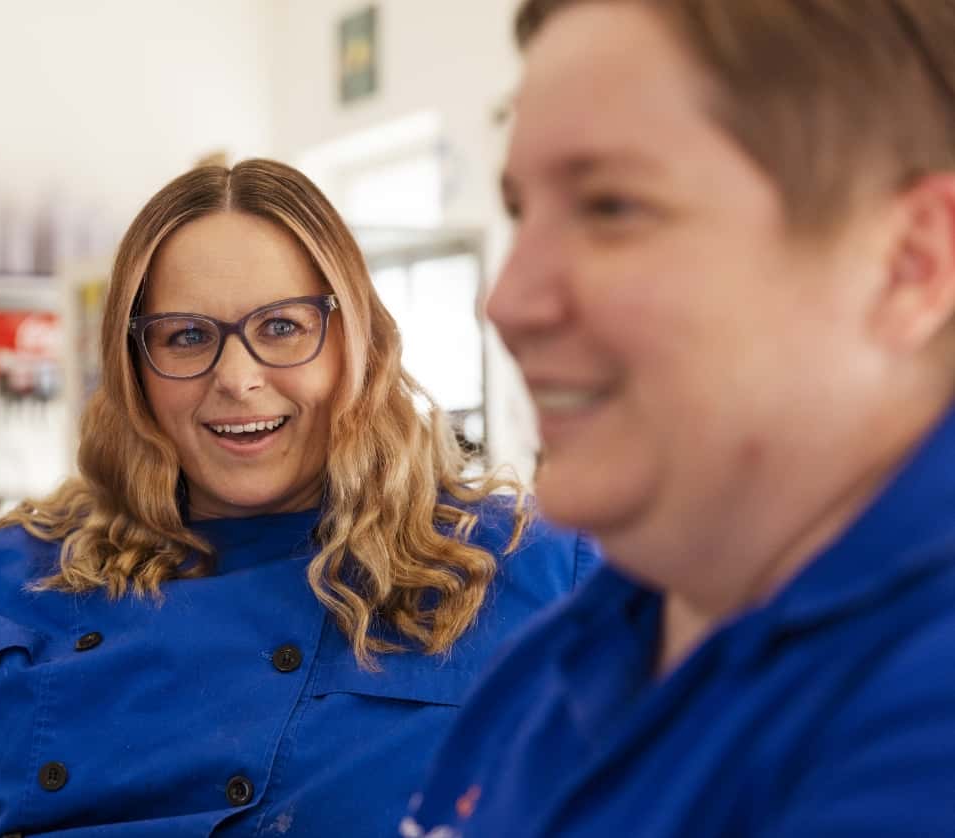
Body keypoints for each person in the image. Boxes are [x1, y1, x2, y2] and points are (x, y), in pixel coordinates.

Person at [0, 159, 594, 837]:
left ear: (357, 345)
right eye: (186, 337)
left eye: (283, 327)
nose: (237, 377)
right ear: (133, 371)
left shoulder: (532, 577)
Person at [402, 1, 955, 836]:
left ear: (909, 265)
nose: (506, 301)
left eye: (611, 207)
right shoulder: (573, 648)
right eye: (522, 210)